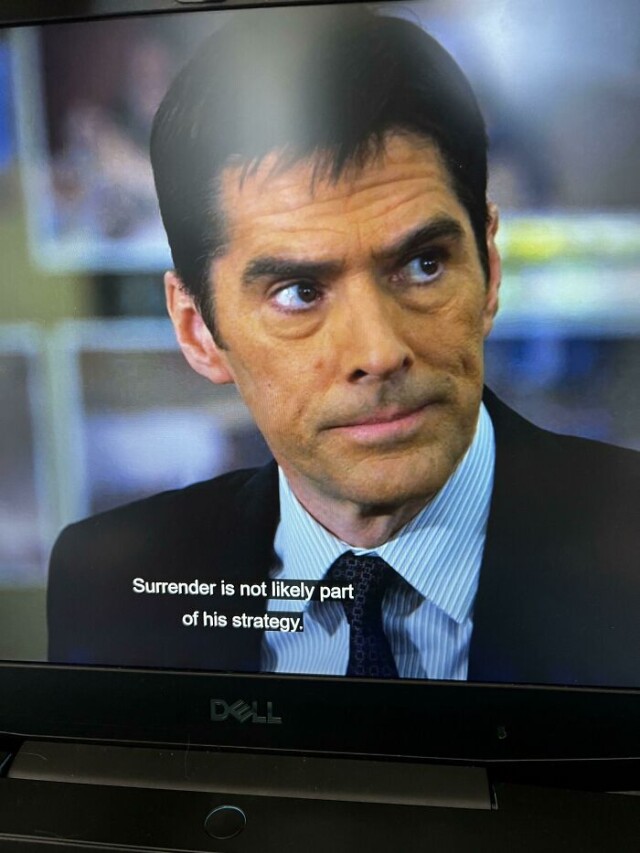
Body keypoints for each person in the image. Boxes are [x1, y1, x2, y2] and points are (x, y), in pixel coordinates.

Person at [48, 6, 640, 687]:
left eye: (424, 265)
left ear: (490, 269)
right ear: (197, 329)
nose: (379, 352)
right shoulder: (107, 585)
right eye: (300, 292)